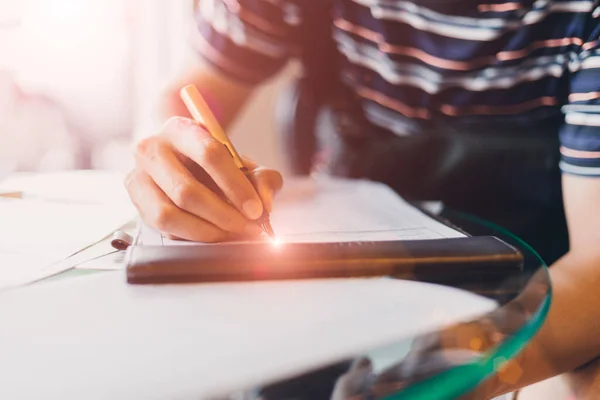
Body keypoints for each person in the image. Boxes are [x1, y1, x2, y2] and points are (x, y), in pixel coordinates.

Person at [125, 0, 600, 398]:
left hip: (542, 274)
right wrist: (178, 155)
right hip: (346, 271)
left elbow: (596, 267)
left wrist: (437, 374)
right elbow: (193, 94)